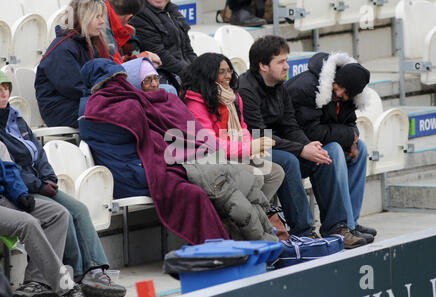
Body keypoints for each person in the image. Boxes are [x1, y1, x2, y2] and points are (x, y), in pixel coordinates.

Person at [78, 58, 277, 242]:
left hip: (196, 159)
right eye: (148, 80)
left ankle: (262, 239)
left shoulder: (142, 103)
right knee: (223, 183)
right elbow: (158, 141)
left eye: (156, 78)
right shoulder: (112, 108)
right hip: (148, 169)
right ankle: (247, 243)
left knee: (257, 175)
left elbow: (220, 134)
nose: (228, 76)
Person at [0, 71, 126, 297]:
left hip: (37, 183)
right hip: (22, 189)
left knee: (79, 208)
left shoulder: (15, 118)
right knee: (62, 213)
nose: (3, 92)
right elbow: (11, 169)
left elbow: (37, 152)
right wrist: (39, 185)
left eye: (6, 87)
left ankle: (95, 271)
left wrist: (48, 177)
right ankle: (75, 275)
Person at [238, 35, 368, 249]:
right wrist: (301, 149)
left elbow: (290, 126)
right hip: (252, 150)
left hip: (279, 145)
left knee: (323, 155)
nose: (286, 66)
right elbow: (260, 135)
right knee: (289, 160)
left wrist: (310, 147)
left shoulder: (279, 86)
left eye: (286, 60)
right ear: (262, 65)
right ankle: (304, 232)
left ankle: (337, 227)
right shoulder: (246, 90)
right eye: (280, 62)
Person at [285, 51, 377, 241]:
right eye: (340, 87)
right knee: (334, 149)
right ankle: (337, 227)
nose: (340, 94)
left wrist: (353, 138)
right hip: (297, 148)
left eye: (347, 93)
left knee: (360, 150)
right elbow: (311, 132)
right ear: (335, 78)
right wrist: (348, 136)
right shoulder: (307, 88)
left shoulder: (346, 95)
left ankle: (350, 222)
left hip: (317, 146)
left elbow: (350, 121)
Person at [180, 52, 285, 204]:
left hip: (233, 155)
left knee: (275, 172)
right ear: (208, 74)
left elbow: (242, 128)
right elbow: (210, 143)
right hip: (210, 160)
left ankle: (256, 214)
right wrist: (248, 148)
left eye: (229, 70)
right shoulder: (195, 102)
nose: (228, 75)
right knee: (255, 175)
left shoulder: (233, 97)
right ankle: (241, 218)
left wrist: (252, 149)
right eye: (221, 72)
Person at [0, 141, 85, 297]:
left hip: (4, 199)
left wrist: (20, 194)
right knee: (27, 223)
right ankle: (66, 288)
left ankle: (35, 283)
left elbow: (10, 171)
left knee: (58, 214)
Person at [35, 0, 110, 128]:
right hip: (61, 110)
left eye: (101, 17)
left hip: (78, 102)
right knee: (119, 112)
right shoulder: (62, 48)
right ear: (82, 18)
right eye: (96, 17)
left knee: (128, 106)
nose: (102, 21)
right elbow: (75, 87)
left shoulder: (85, 44)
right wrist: (108, 97)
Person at [129, 0, 197, 90]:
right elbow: (160, 55)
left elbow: (188, 50)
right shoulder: (139, 15)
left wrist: (199, 69)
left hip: (183, 71)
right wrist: (191, 75)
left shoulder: (173, 11)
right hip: (161, 74)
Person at [105, 0, 162, 66]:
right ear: (129, 18)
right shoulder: (106, 33)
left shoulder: (101, 17)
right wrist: (141, 60)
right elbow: (115, 71)